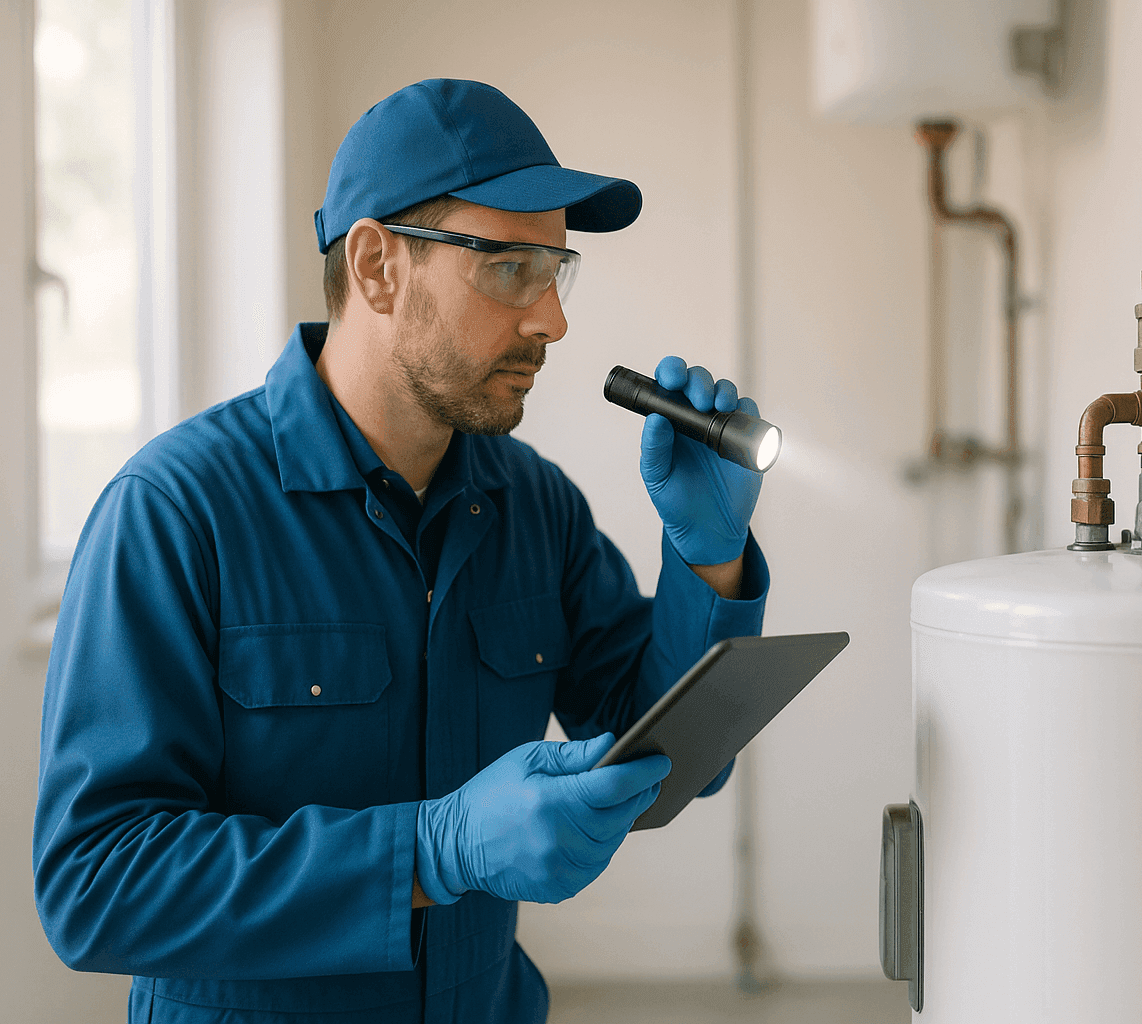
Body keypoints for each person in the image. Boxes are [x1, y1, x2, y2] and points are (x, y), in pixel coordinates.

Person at [32, 78, 769, 1024]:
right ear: (378, 266)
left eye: (557, 269)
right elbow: (97, 884)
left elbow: (677, 761)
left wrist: (706, 559)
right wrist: (434, 851)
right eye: (510, 268)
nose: (553, 320)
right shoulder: (176, 511)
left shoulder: (532, 504)